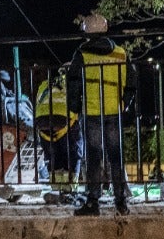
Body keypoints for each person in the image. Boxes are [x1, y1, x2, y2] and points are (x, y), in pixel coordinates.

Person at [73, 13, 131, 215]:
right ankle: (121, 201)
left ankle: (93, 201)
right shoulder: (121, 53)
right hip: (114, 110)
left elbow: (73, 83)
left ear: (86, 32)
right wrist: (125, 102)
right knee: (116, 157)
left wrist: (74, 106)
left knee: (94, 158)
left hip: (92, 112)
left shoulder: (81, 54)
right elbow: (130, 82)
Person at [33, 65, 82, 203]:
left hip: (42, 125)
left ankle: (56, 189)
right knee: (74, 154)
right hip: (65, 122)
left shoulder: (45, 84)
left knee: (54, 157)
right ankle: (70, 190)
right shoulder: (73, 82)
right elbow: (78, 104)